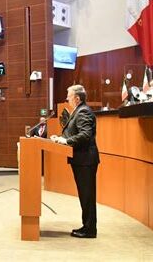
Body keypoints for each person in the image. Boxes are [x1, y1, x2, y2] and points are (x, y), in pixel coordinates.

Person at [50, 84, 99, 238]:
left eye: (69, 96)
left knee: (87, 196)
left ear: (77, 98)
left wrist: (66, 141)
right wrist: (61, 138)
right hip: (81, 159)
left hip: (85, 160)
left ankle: (90, 229)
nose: (67, 99)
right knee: (85, 195)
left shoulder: (83, 111)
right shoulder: (78, 110)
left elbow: (85, 135)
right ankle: (87, 226)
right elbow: (76, 133)